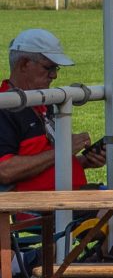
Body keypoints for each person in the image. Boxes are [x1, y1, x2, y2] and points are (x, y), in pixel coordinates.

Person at [0, 30, 99, 193]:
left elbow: (45, 161)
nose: (54, 76)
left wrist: (85, 161)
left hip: (69, 200)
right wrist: (64, 150)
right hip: (45, 210)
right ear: (24, 64)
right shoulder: (5, 107)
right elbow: (5, 170)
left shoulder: (44, 100)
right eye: (48, 67)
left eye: (56, 68)